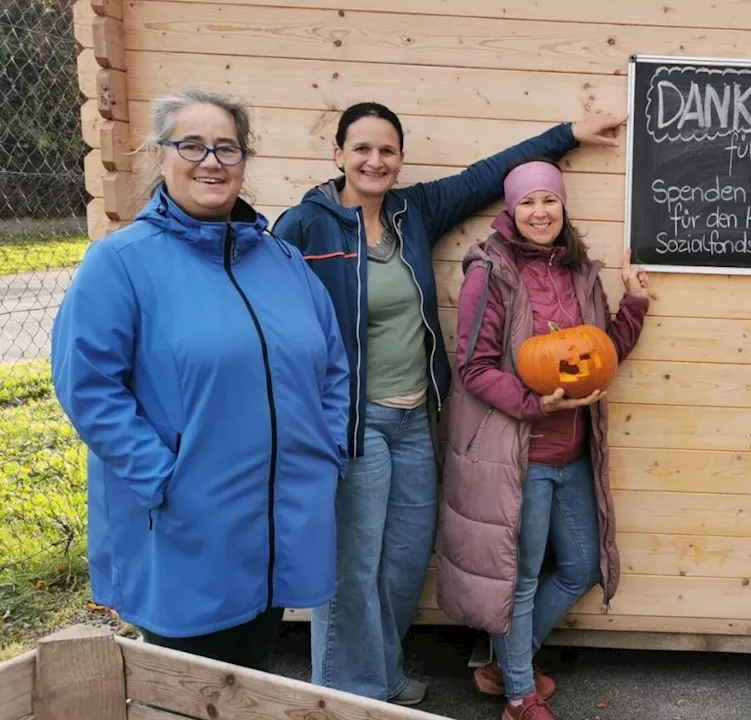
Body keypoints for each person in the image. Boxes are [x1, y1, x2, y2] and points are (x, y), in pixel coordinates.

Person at [271, 102, 626, 705]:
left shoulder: (415, 213)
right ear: (338, 155)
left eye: (386, 150)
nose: (374, 160)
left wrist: (569, 134)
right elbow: (273, 319)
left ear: (400, 159)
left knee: (407, 558)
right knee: (354, 564)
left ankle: (381, 676)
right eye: (361, 148)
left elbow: (492, 176)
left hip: (414, 418)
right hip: (355, 419)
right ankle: (342, 697)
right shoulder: (306, 226)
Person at [49, 89, 350, 671]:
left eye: (227, 148)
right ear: (160, 157)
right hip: (186, 524)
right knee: (188, 683)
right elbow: (88, 386)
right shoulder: (122, 264)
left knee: (251, 674)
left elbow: (332, 366)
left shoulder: (282, 262)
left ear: (244, 162)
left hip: (279, 518)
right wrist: (163, 478)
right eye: (192, 145)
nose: (211, 161)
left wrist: (326, 449)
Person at [436, 157, 649, 720]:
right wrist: (534, 404)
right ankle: (517, 697)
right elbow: (475, 367)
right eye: (527, 202)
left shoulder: (580, 271)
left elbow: (598, 357)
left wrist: (633, 304)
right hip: (519, 456)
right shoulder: (491, 271)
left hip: (573, 452)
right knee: (521, 579)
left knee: (581, 566)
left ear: (563, 206)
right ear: (511, 209)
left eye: (548, 200)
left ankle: (506, 664)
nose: (539, 211)